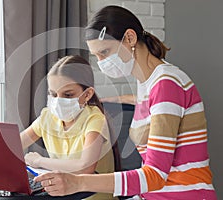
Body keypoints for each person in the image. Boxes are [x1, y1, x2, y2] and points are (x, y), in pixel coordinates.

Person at [34, 6, 218, 199]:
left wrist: (78, 182)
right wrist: (112, 100)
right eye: (96, 56)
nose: (101, 62)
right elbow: (152, 105)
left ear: (130, 38)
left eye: (105, 52)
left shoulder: (166, 84)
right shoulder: (148, 83)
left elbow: (154, 175)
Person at [20, 55, 117, 200]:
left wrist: (39, 161)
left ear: (87, 94)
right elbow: (13, 145)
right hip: (62, 194)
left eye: (67, 94)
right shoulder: (48, 117)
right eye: (53, 94)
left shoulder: (95, 119)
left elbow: (85, 167)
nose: (58, 101)